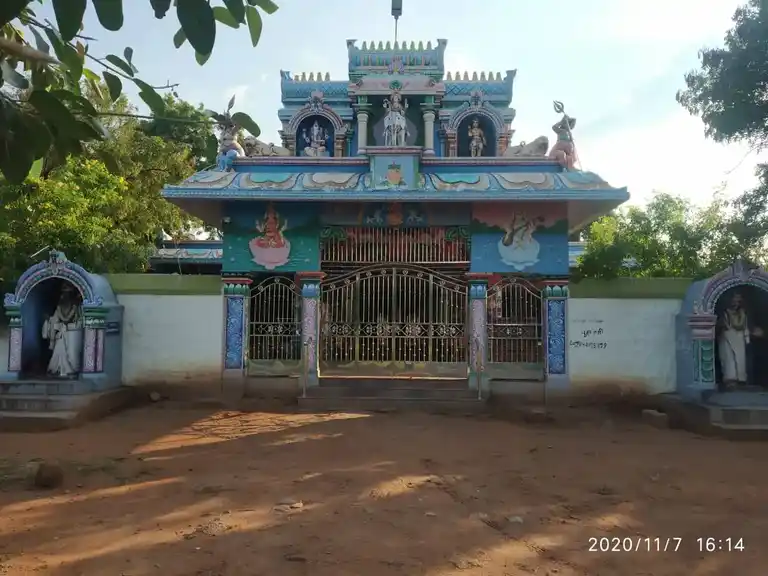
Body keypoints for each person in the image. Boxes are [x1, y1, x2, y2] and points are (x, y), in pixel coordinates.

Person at [717, 291, 763, 388]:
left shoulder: (743, 313)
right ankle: (730, 380)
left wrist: (748, 337)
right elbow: (721, 325)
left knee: (740, 359)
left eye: (738, 299)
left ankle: (741, 379)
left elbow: (745, 326)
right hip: (727, 337)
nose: (736, 301)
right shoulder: (725, 312)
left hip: (740, 338)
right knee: (729, 359)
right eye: (735, 298)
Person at [42, 285, 83, 377]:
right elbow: (58, 319)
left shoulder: (75, 307)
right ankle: (57, 369)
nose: (64, 296)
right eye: (63, 293)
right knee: (59, 351)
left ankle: (70, 370)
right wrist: (50, 320)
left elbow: (68, 319)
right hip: (61, 333)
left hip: (72, 334)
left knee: (71, 353)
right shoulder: (59, 307)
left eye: (67, 294)